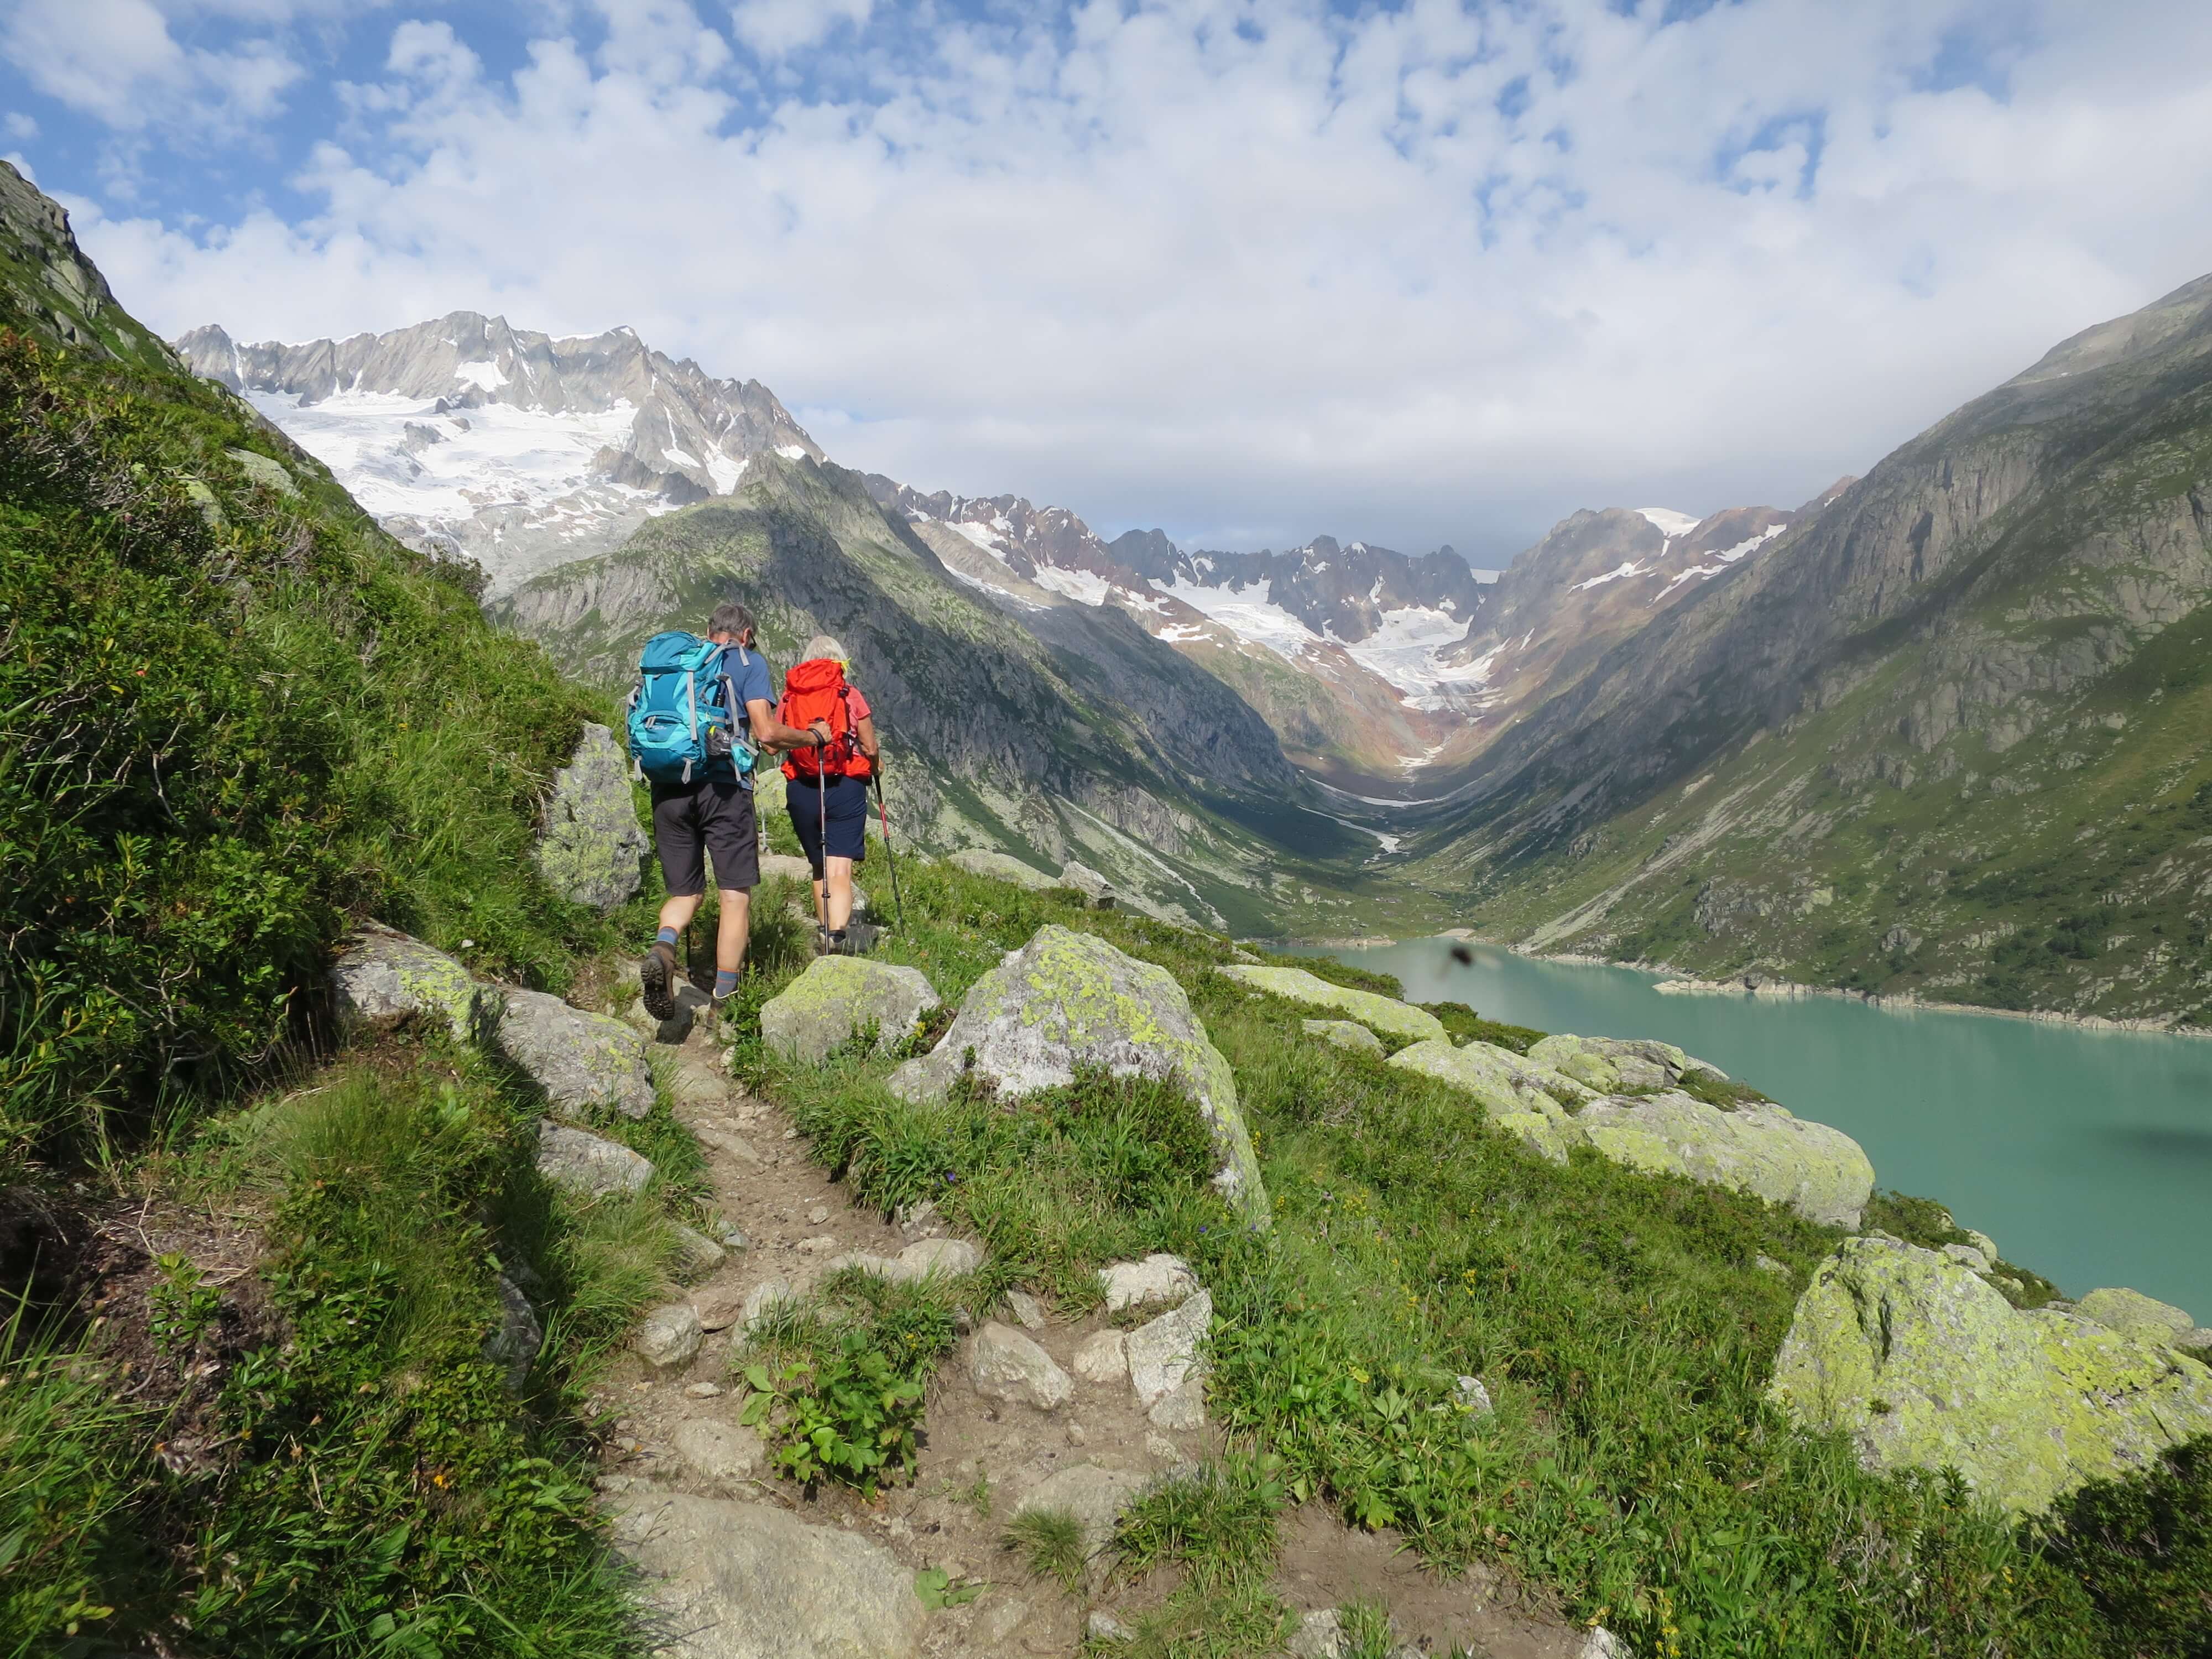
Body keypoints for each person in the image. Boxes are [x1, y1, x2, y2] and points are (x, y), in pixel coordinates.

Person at [639, 602, 833, 1019]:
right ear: (746, 635)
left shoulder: (681, 662)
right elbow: (766, 734)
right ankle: (723, 1004)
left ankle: (664, 947)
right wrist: (812, 737)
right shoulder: (747, 662)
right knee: (734, 895)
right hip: (724, 790)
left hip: (669, 786)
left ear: (709, 631)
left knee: (685, 892)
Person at [779, 634, 880, 954]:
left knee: (820, 867)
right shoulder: (850, 694)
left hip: (802, 787)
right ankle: (836, 937)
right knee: (840, 869)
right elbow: (869, 745)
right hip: (845, 786)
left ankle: (824, 937)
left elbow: (771, 741)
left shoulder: (790, 696)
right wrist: (876, 768)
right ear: (840, 663)